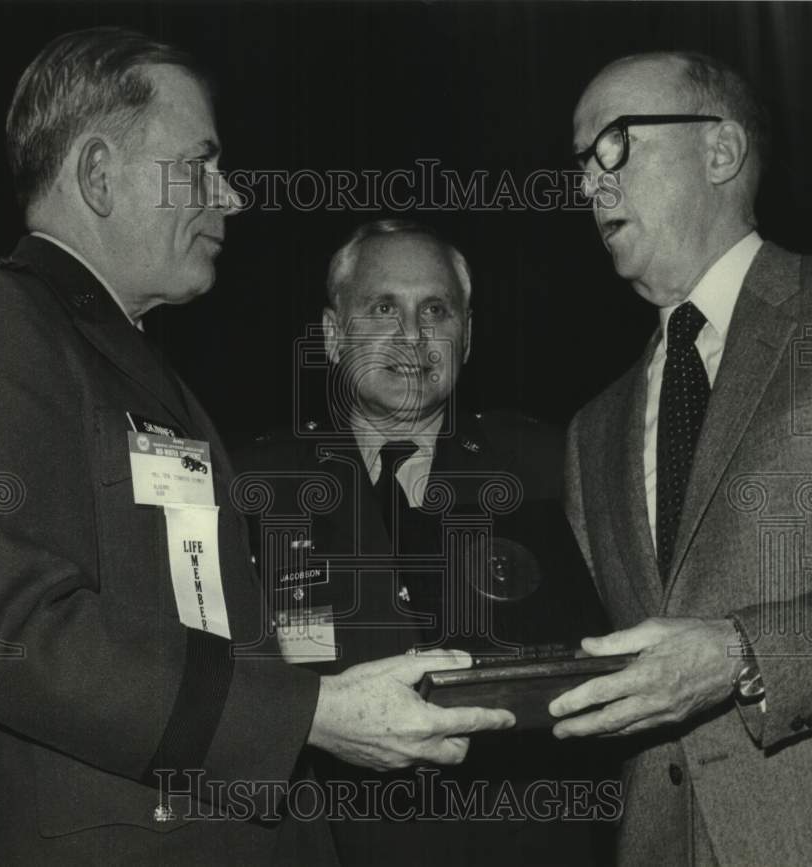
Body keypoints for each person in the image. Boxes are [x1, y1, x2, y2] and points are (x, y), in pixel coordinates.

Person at [0, 28, 515, 866]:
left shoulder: (135, 364)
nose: (231, 196)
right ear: (99, 174)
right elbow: (10, 632)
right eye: (202, 164)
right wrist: (311, 714)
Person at [555, 50, 812, 865]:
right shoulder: (591, 430)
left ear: (721, 151)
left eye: (615, 145)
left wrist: (740, 654)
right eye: (581, 164)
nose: (591, 184)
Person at [234, 219, 616, 867]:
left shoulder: (547, 464)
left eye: (435, 309)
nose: (411, 335)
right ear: (333, 334)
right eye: (384, 307)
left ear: (467, 336)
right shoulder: (254, 482)